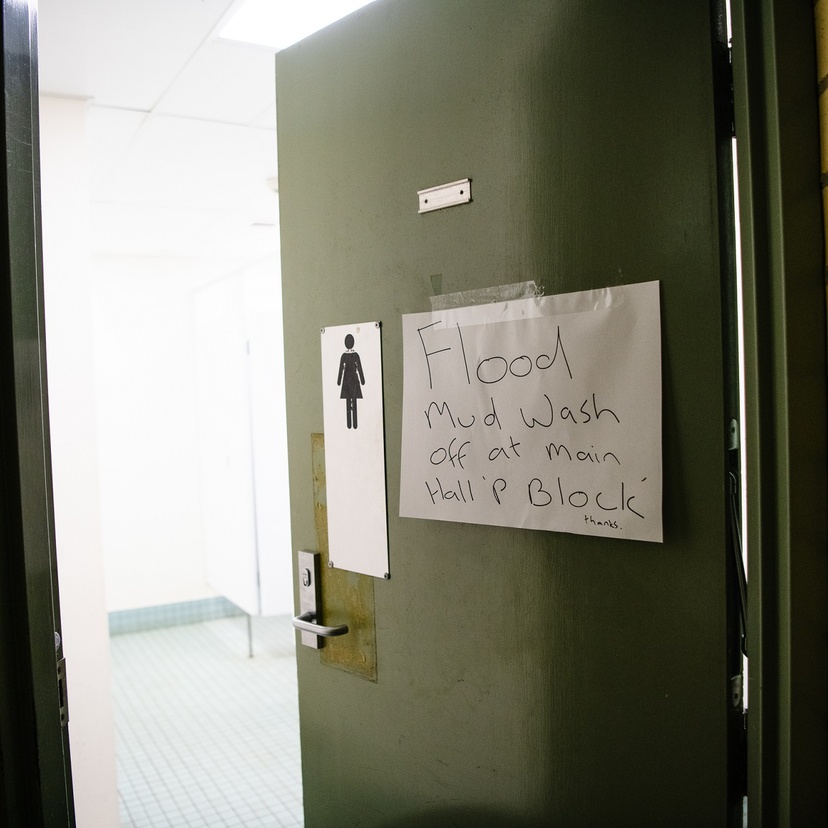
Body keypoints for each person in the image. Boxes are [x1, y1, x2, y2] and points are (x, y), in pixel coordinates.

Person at [337, 333, 365, 429]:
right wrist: (362, 380)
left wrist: (339, 381)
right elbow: (359, 368)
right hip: (354, 379)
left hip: (346, 380)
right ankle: (353, 424)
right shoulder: (355, 355)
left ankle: (350, 424)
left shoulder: (344, 356)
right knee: (353, 400)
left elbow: (341, 369)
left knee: (348, 402)